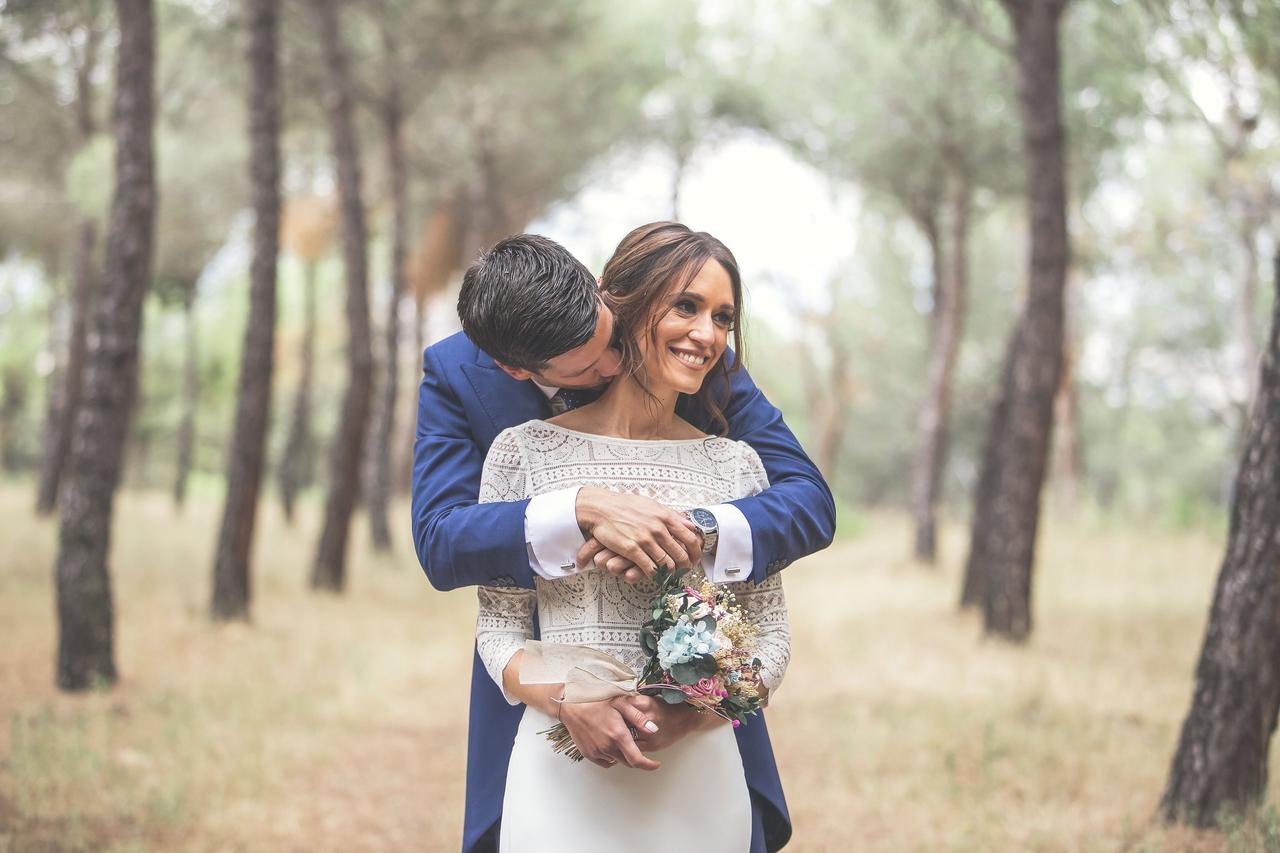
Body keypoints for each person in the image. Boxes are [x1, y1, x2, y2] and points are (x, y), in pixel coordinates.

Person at [412, 227, 835, 852]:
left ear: (603, 295)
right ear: (515, 368)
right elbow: (443, 540)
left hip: (697, 743)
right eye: (587, 365)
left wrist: (692, 532)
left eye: (610, 337)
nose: (612, 365)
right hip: (552, 730)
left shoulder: (695, 357)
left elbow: (807, 501)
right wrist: (579, 510)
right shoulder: (466, 384)